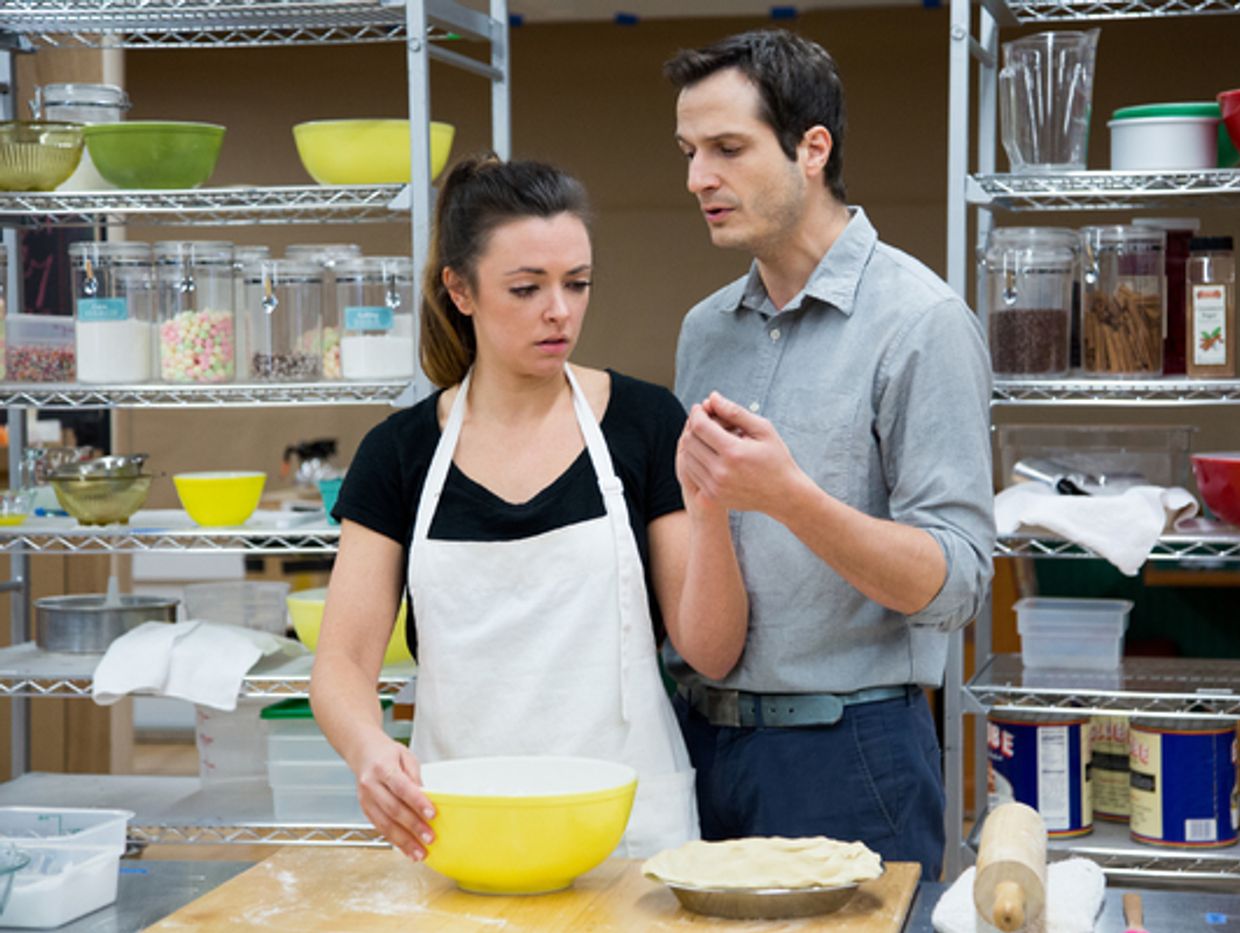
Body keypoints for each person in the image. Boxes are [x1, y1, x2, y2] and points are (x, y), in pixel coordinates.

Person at [309, 154, 748, 862]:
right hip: (460, 826)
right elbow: (342, 663)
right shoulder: (399, 453)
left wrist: (714, 508)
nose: (559, 311)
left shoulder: (645, 422)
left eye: (577, 283)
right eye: (526, 288)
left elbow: (712, 650)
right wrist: (369, 750)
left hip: (626, 832)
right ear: (460, 289)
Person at [662, 29, 995, 879]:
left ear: (813, 149)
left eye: (727, 148)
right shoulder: (704, 331)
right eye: (690, 152)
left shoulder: (920, 323)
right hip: (699, 744)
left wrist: (789, 495)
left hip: (852, 757)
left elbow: (957, 583)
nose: (698, 178)